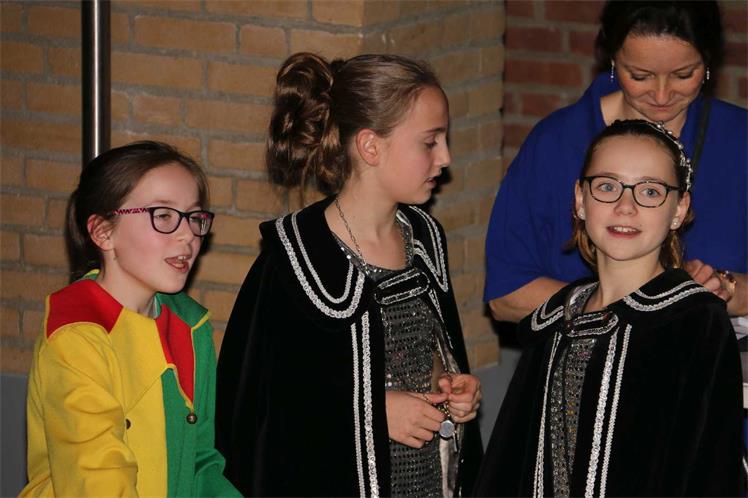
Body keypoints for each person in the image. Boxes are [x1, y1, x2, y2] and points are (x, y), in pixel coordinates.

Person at [215, 52, 483, 497]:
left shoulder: (423, 238)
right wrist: (372, 414)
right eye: (430, 142)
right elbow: (266, 407)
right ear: (370, 146)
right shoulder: (298, 259)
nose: (445, 158)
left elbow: (423, 345)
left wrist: (451, 384)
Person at [474, 119, 746, 497]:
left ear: (679, 209)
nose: (625, 206)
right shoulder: (556, 318)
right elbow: (511, 457)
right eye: (607, 186)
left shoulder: (694, 322)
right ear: (580, 200)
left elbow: (711, 471)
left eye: (650, 191)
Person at [485, 1, 747, 323]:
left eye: (683, 75)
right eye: (640, 76)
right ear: (612, 60)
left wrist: (726, 288)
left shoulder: (739, 140)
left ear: (708, 61)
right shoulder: (557, 143)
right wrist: (635, 306)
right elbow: (506, 295)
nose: (661, 96)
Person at [21, 142, 241, 497]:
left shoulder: (190, 327)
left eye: (194, 217)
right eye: (163, 216)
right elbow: (97, 477)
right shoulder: (76, 337)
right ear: (103, 232)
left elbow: (200, 463)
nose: (188, 235)